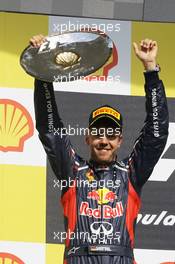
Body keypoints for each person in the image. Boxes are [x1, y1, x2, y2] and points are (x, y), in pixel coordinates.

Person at [30, 35, 169, 264]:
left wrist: (151, 71)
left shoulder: (131, 173)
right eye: (98, 133)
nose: (104, 140)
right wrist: (43, 73)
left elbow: (156, 134)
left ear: (120, 140)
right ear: (87, 138)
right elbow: (50, 129)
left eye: (111, 134)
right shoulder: (72, 170)